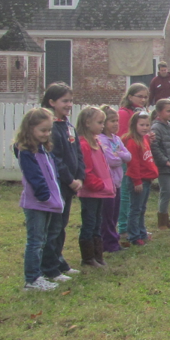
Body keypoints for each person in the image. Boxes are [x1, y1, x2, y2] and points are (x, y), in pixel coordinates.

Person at [15, 108, 64, 291]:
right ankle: (32, 279)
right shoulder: (26, 152)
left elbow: (52, 174)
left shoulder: (44, 150)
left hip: (49, 202)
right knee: (35, 241)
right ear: (30, 129)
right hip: (37, 203)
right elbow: (35, 177)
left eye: (49, 130)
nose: (47, 134)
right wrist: (45, 195)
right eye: (43, 130)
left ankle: (40, 274)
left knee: (42, 240)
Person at [41, 82, 85, 280]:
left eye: (70, 101)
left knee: (62, 225)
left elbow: (78, 153)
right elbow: (55, 157)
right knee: (54, 227)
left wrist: (81, 177)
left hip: (71, 184)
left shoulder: (68, 125)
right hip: (58, 185)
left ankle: (58, 260)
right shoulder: (50, 128)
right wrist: (69, 180)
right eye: (64, 101)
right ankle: (49, 267)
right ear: (51, 102)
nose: (69, 104)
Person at [76, 107, 116, 267]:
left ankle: (97, 255)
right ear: (87, 123)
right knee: (89, 223)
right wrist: (99, 185)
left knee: (97, 222)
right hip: (91, 192)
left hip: (101, 191)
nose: (102, 126)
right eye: (99, 122)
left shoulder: (96, 141)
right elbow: (85, 170)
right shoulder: (84, 144)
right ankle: (87, 258)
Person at [117, 83, 150, 238]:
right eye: (140, 96)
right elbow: (123, 136)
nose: (143, 100)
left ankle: (136, 228)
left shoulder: (141, 112)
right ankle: (123, 227)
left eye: (145, 97)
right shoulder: (124, 113)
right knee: (125, 194)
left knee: (138, 201)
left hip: (140, 155)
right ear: (130, 97)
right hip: (127, 156)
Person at [98, 106, 132, 253]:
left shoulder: (117, 139)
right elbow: (111, 160)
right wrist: (120, 156)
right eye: (112, 121)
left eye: (117, 121)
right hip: (107, 183)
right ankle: (108, 243)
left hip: (117, 182)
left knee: (114, 213)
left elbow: (128, 156)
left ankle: (113, 240)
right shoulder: (101, 140)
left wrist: (119, 155)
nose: (116, 124)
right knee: (107, 215)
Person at [123, 111, 159, 246]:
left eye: (147, 125)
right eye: (141, 125)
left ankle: (142, 232)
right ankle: (133, 235)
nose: (145, 127)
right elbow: (133, 164)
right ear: (134, 125)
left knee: (142, 208)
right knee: (135, 209)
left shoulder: (144, 139)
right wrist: (137, 181)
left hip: (146, 178)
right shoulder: (133, 142)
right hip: (137, 180)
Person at [151, 99, 170, 230]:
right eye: (168, 111)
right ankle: (161, 222)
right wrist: (164, 160)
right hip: (163, 166)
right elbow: (154, 147)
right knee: (166, 191)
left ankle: (166, 219)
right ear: (159, 112)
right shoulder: (156, 127)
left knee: (169, 192)